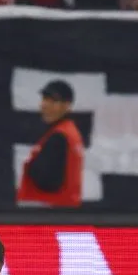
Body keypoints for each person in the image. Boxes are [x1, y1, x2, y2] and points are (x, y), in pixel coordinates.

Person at [16, 80, 84, 208]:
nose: (45, 105)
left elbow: (49, 182)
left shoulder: (59, 136)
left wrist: (31, 168)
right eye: (44, 99)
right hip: (61, 211)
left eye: (54, 101)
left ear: (67, 106)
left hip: (48, 213)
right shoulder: (70, 132)